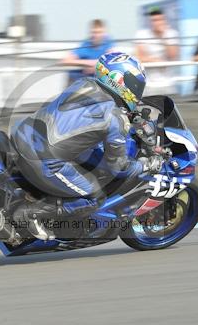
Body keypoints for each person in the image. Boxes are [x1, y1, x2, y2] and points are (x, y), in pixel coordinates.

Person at [11, 52, 163, 240]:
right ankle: (31, 213)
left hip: (23, 134)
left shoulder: (83, 84)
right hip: (44, 160)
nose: (137, 90)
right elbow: (118, 167)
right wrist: (146, 165)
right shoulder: (116, 119)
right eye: (134, 84)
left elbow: (82, 120)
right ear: (119, 80)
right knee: (94, 198)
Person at [134, 8, 180, 93]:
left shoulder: (171, 34)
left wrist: (163, 37)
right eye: (154, 20)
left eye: (159, 20)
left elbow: (173, 56)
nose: (157, 23)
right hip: (148, 84)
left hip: (168, 83)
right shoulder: (142, 34)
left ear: (164, 20)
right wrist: (157, 61)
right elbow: (138, 58)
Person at [61, 19, 115, 85]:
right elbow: (65, 61)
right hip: (80, 82)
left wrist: (97, 66)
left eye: (99, 32)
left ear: (104, 33)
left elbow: (111, 60)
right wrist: (87, 64)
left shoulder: (108, 42)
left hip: (98, 83)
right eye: (94, 32)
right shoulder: (86, 44)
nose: (97, 35)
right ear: (90, 33)